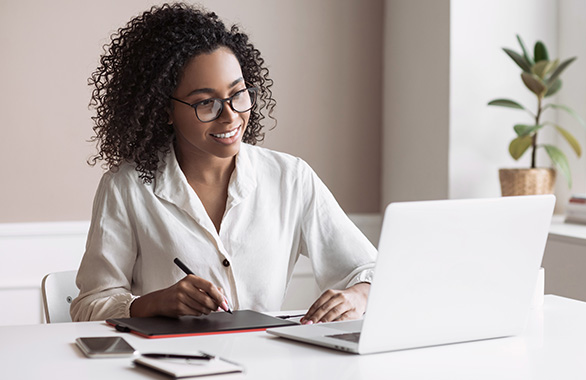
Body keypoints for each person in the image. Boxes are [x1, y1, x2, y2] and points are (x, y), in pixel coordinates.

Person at [70, 3, 376, 325]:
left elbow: (369, 268)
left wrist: (358, 295)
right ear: (165, 110)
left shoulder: (290, 178)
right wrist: (153, 303)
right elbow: (88, 306)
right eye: (206, 103)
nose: (230, 116)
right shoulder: (127, 187)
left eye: (238, 94)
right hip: (169, 366)